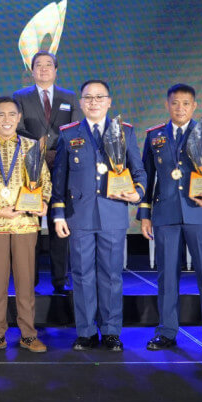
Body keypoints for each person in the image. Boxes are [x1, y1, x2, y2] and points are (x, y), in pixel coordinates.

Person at [139, 84, 202, 356]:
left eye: (185, 103)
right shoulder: (155, 135)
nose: (180, 108)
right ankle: (166, 332)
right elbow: (146, 177)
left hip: (200, 212)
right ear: (167, 105)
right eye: (175, 103)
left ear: (194, 106)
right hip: (166, 214)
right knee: (167, 276)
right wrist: (144, 215)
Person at [50, 80, 146, 352]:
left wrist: (136, 193)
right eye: (88, 98)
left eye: (99, 97)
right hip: (78, 215)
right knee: (81, 274)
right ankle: (86, 332)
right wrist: (58, 216)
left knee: (112, 275)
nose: (93, 102)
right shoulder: (69, 134)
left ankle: (111, 331)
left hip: (113, 213)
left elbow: (138, 172)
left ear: (109, 101)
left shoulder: (124, 132)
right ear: (80, 103)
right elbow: (60, 180)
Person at [0, 97, 50, 354]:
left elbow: (44, 182)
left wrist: (43, 202)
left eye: (11, 115)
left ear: (19, 118)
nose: (6, 119)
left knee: (26, 282)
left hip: (25, 222)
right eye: (0, 115)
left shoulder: (32, 147)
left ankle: (28, 335)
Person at [14, 50, 83, 295]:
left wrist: (55, 148)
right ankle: (28, 280)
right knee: (30, 223)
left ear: (56, 70)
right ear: (31, 70)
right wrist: (38, 145)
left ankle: (59, 280)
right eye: (38, 65)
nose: (43, 69)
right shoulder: (20, 96)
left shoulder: (70, 97)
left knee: (59, 220)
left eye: (48, 65)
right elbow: (17, 127)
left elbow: (75, 127)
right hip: (30, 165)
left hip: (62, 164)